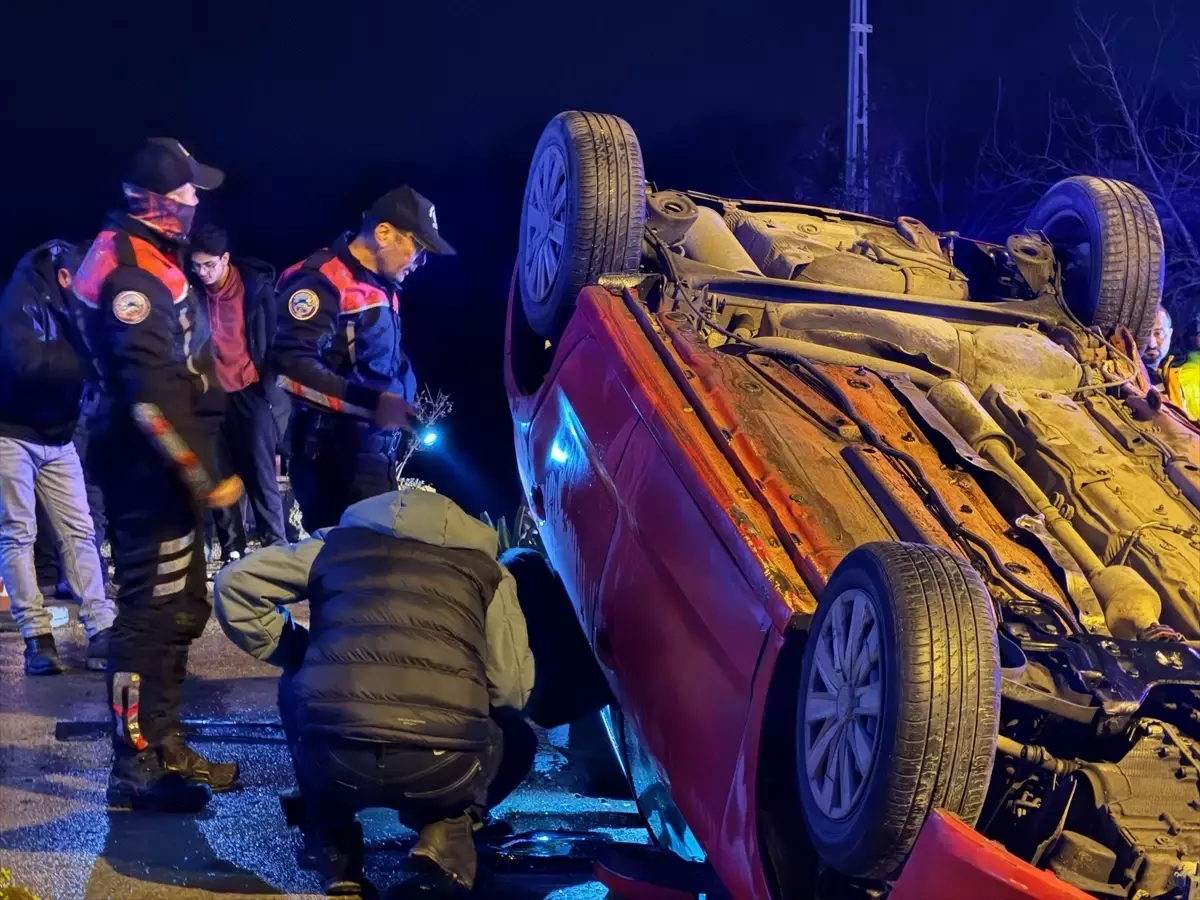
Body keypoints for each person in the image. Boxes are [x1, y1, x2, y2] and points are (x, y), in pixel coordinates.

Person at [213, 488, 536, 895]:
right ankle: (448, 827)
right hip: (441, 767)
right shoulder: (487, 570)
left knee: (301, 685)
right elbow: (512, 691)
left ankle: (335, 853)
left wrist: (298, 647)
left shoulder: (335, 546)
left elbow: (234, 583)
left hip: (333, 757)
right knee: (518, 737)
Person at [74, 137, 245, 812]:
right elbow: (149, 395)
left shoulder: (152, 258)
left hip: (166, 467)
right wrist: (203, 475)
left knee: (181, 608)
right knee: (147, 617)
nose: (195, 202)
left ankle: (165, 740)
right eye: (185, 194)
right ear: (150, 202)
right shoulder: (130, 274)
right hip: (148, 471)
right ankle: (137, 762)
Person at [272, 186, 455, 532]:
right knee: (345, 571)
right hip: (332, 463)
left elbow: (382, 359)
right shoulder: (319, 279)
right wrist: (374, 404)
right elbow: (289, 368)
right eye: (419, 248)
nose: (421, 263)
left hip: (374, 457)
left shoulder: (382, 287)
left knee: (375, 570)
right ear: (384, 233)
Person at [0, 239, 116, 675]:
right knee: (17, 534)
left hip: (59, 434)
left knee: (80, 531)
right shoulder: (20, 297)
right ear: (66, 278)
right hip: (10, 433)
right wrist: (90, 358)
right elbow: (27, 363)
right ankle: (36, 637)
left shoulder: (82, 300)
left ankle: (101, 628)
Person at [189, 224, 288, 560]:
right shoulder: (191, 292)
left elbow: (274, 338)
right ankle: (233, 550)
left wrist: (269, 383)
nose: (202, 272)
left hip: (250, 387)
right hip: (211, 392)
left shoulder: (255, 287)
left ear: (225, 259)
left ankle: (275, 546)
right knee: (219, 474)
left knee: (260, 470)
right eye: (197, 266)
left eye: (209, 265)